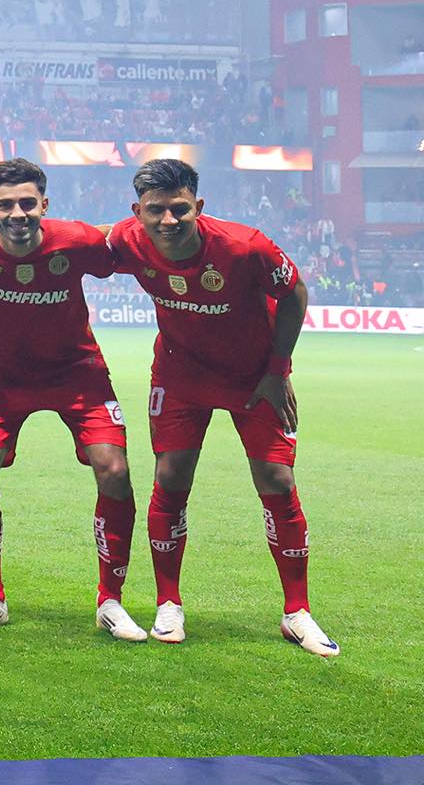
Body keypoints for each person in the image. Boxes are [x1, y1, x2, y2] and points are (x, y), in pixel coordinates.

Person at [108, 159, 335, 656]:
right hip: (180, 376)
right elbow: (73, 247)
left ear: (199, 206)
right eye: (156, 210)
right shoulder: (126, 239)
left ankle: (297, 612)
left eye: (180, 208)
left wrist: (278, 370)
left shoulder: (245, 246)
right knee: (171, 478)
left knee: (277, 480)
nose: (168, 220)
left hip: (255, 378)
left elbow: (295, 292)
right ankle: (169, 603)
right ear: (137, 213)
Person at [0, 160, 144, 640]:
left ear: (44, 204)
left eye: (27, 203)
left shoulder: (75, 239)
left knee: (115, 469)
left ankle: (111, 600)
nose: (17, 214)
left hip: (77, 373)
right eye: (5, 205)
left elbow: (126, 240)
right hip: (2, 379)